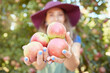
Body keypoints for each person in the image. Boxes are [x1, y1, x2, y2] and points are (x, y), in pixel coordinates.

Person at [23, 1, 81, 73]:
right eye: (51, 15)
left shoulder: (74, 37)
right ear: (45, 20)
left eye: (60, 14)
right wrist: (34, 59)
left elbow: (73, 67)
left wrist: (68, 53)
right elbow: (39, 66)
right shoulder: (37, 40)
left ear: (64, 18)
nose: (56, 18)